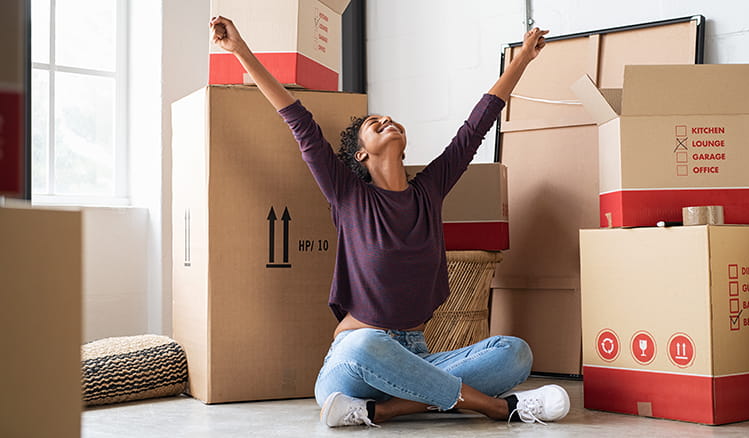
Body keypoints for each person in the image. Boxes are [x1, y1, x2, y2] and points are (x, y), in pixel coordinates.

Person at [209, 16, 569, 428]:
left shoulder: (429, 191)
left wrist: (522, 59)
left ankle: (388, 410)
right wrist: (239, 50)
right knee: (365, 344)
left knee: (515, 352)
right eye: (372, 125)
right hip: (353, 365)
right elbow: (299, 122)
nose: (385, 121)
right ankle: (497, 408)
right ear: (360, 155)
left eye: (390, 120)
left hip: (416, 357)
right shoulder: (349, 196)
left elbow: (476, 127)